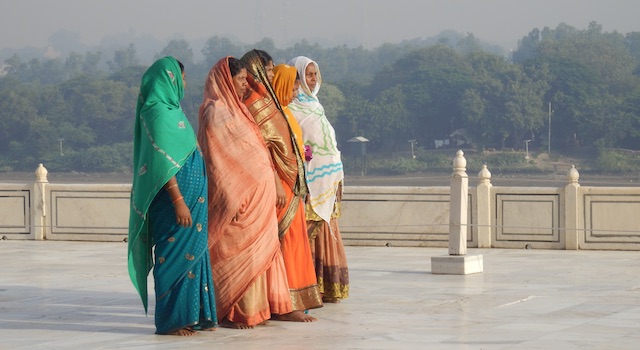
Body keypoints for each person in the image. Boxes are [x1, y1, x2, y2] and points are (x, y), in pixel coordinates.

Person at [197, 56, 292, 329]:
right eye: (240, 80)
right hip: (237, 198)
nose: (244, 85)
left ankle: (258, 309)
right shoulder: (214, 112)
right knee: (236, 252)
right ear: (227, 80)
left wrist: (272, 181)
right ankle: (233, 310)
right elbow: (218, 161)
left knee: (259, 255)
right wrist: (232, 195)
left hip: (258, 198)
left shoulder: (241, 110)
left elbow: (258, 152)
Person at [127, 56, 217, 336]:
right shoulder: (156, 113)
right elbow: (162, 164)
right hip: (174, 203)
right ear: (168, 80)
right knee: (172, 255)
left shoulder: (173, 110)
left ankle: (194, 315)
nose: (184, 84)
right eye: (181, 78)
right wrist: (178, 201)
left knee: (195, 255)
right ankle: (171, 320)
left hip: (193, 202)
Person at [240, 50, 323, 322]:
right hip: (276, 186)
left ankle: (292, 300)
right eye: (270, 71)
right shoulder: (254, 104)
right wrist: (275, 181)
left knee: (295, 241)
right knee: (285, 242)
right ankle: (285, 304)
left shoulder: (270, 104)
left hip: (291, 184)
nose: (273, 76)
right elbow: (260, 149)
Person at [287, 56, 349, 303]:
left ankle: (327, 288)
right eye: (308, 75)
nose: (312, 80)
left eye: (315, 75)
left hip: (328, 183)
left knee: (327, 231)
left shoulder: (315, 105)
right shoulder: (291, 108)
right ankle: (309, 287)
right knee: (308, 234)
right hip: (309, 185)